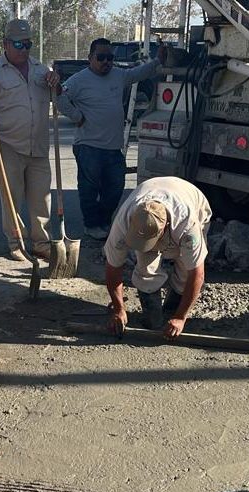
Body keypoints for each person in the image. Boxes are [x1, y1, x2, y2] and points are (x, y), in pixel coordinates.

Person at [58, 38, 166, 240]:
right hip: (88, 146)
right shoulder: (79, 80)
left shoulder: (118, 75)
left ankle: (104, 222)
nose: (106, 61)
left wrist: (158, 61)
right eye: (101, 57)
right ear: (90, 58)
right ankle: (92, 225)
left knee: (115, 188)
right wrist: (77, 116)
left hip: (114, 146)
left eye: (109, 57)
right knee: (89, 189)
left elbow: (138, 74)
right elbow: (59, 97)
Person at [0, 19, 60, 262]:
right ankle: (17, 243)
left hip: (38, 146)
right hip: (8, 146)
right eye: (18, 44)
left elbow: (58, 94)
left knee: (42, 197)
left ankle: (41, 243)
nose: (24, 49)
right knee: (11, 198)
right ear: (5, 44)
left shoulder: (40, 69)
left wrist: (57, 82)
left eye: (28, 44)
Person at [104, 177, 212, 340]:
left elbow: (197, 274)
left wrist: (180, 317)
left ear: (164, 230)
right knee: (145, 267)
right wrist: (119, 309)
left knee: (185, 269)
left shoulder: (188, 226)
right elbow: (113, 267)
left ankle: (174, 308)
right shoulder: (124, 221)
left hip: (193, 202)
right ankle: (152, 313)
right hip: (153, 192)